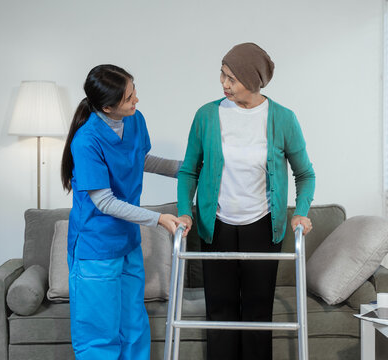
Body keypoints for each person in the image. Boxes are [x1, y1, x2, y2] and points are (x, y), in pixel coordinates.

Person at [177, 43, 316, 360]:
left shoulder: (283, 119)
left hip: (263, 227)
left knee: (257, 314)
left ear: (254, 81)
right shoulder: (207, 116)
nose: (224, 84)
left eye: (232, 78)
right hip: (217, 227)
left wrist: (301, 213)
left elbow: (305, 174)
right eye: (222, 75)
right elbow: (188, 171)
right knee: (220, 314)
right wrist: (186, 212)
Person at [60, 64, 182, 359]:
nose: (136, 100)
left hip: (127, 242)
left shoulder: (135, 119)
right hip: (95, 247)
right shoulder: (87, 140)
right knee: (100, 335)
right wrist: (158, 218)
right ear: (106, 106)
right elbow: (104, 202)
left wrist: (186, 170)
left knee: (133, 326)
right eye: (128, 98)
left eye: (134, 91)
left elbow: (140, 159)